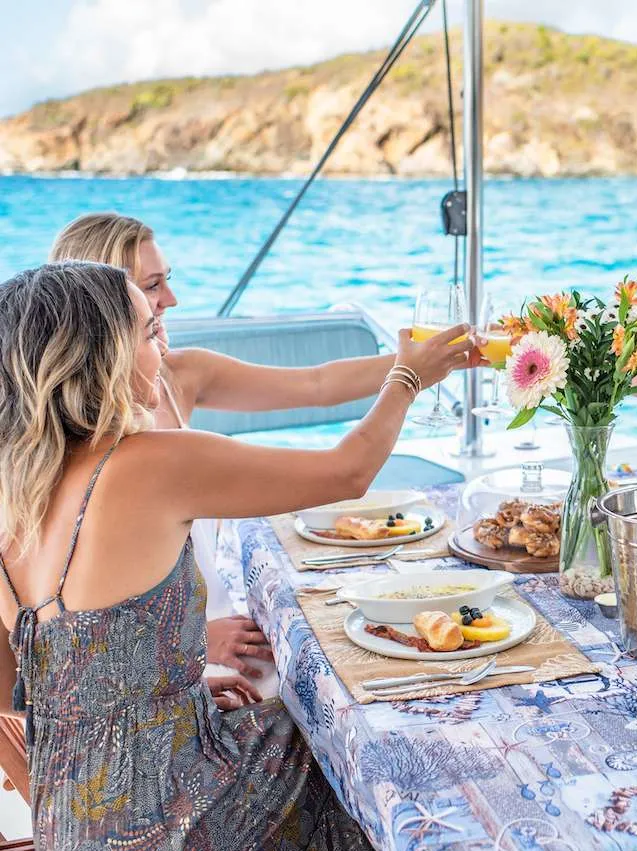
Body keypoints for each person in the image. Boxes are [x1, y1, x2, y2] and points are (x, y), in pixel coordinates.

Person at [0, 260, 479, 851]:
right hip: (176, 830)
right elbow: (346, 473)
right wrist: (407, 377)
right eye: (147, 334)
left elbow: (12, 686)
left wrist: (159, 696)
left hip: (73, 836)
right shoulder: (147, 464)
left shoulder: (12, 494)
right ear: (101, 356)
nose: (161, 350)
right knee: (377, 742)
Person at [49, 212, 400, 686]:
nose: (171, 299)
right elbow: (72, 620)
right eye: (151, 286)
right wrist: (192, 644)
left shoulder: (177, 376)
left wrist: (426, 359)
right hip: (163, 665)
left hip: (198, 639)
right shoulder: (92, 454)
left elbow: (316, 384)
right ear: (104, 308)